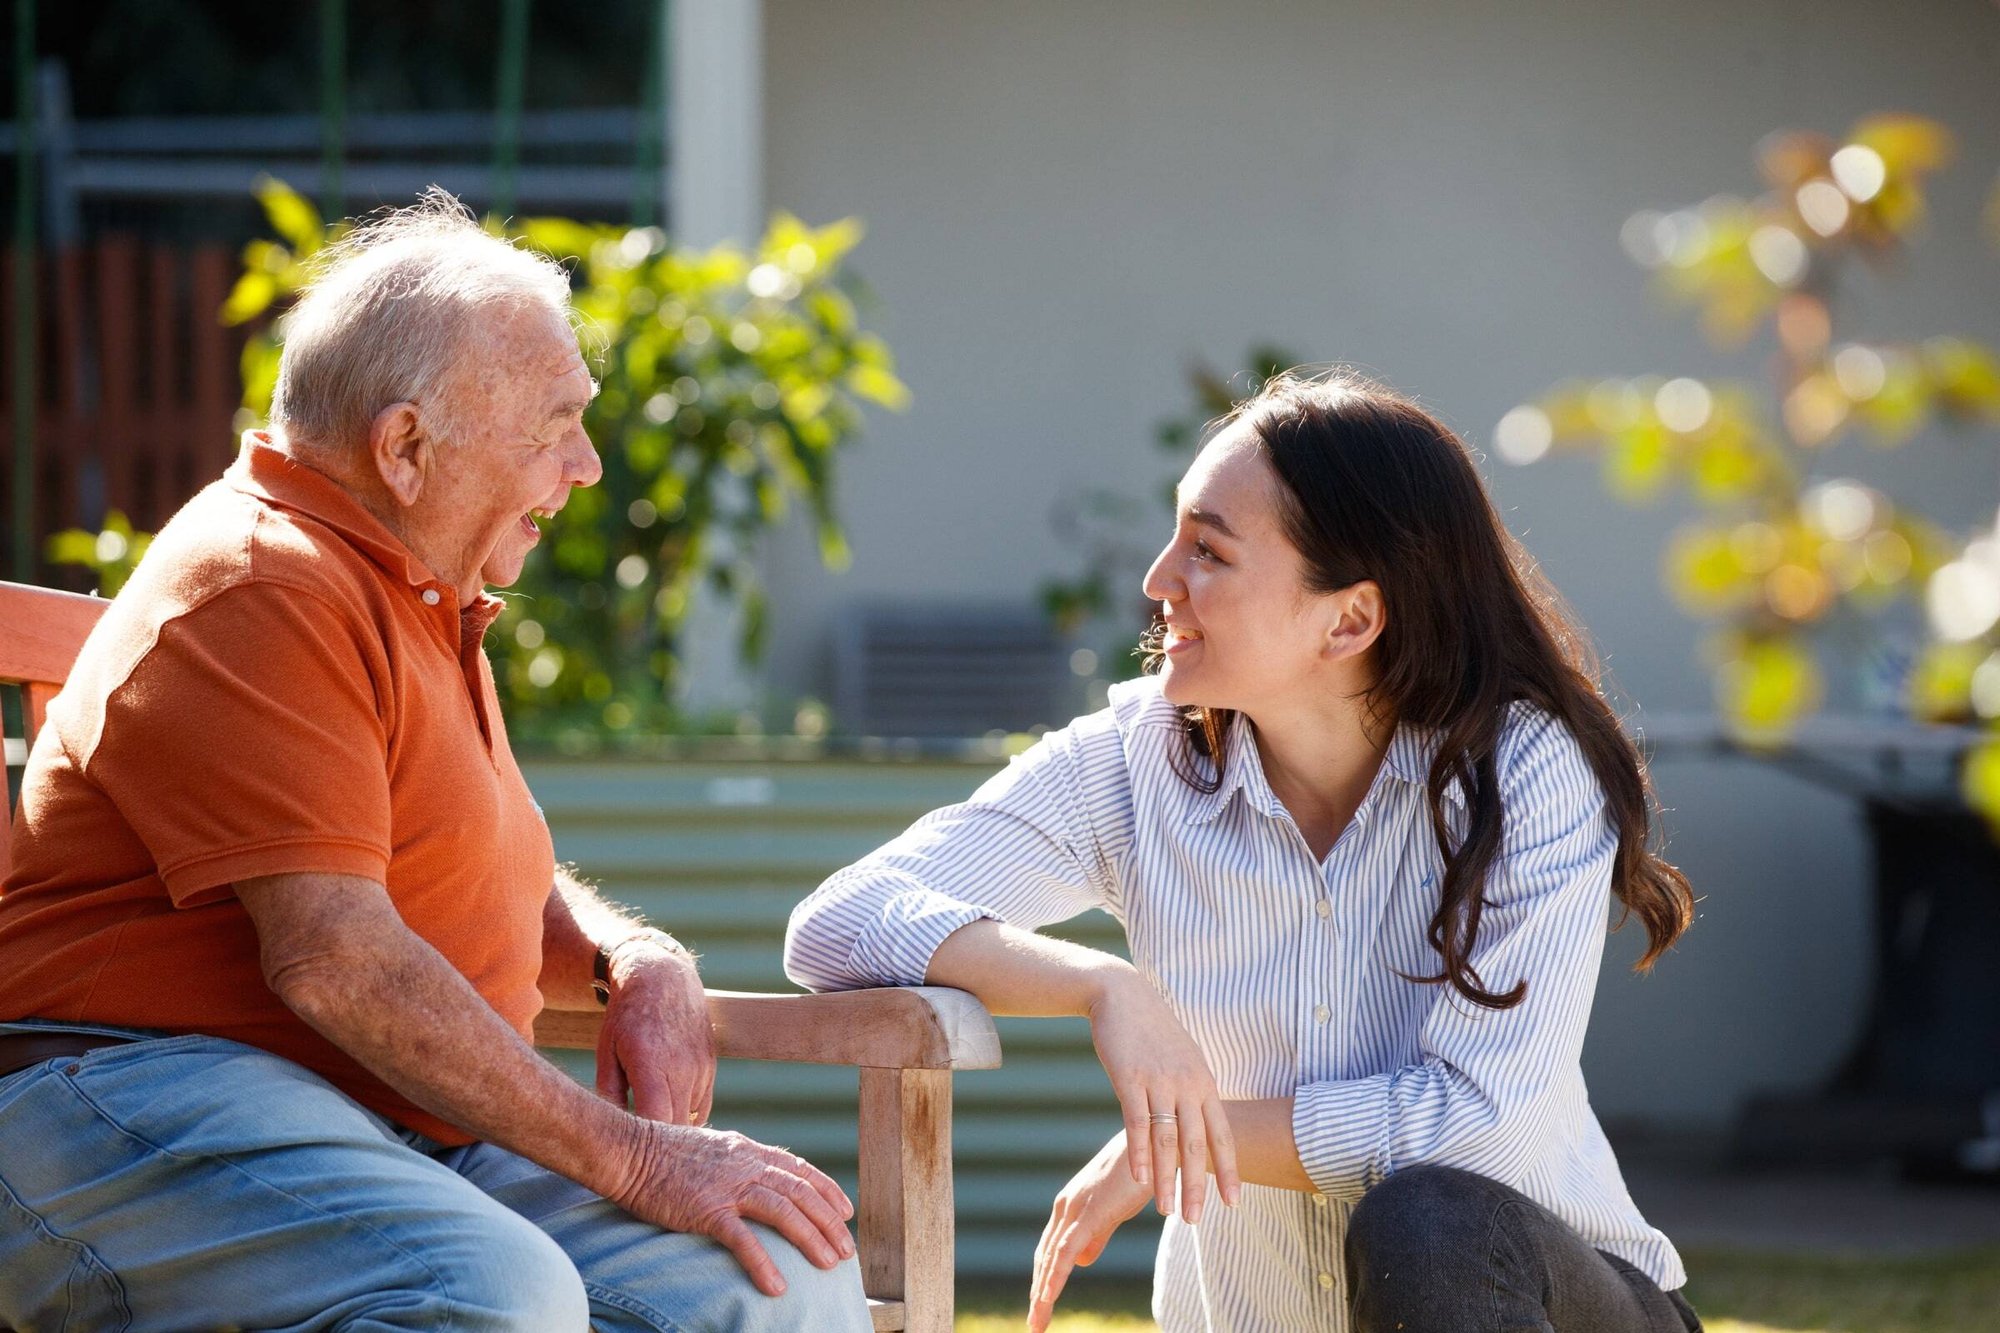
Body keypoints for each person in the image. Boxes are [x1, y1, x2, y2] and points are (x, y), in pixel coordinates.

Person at [0, 192, 871, 1333]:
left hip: (382, 1122)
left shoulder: (414, 590)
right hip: (118, 1103)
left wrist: (632, 959)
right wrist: (645, 1161)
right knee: (488, 1292)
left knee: (775, 1275)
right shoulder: (267, 583)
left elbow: (461, 878)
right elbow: (337, 958)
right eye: (553, 425)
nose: (589, 464)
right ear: (405, 446)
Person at [785, 369, 1703, 1333]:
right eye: (1176, 534)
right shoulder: (1140, 759)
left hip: (1561, 1306)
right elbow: (837, 923)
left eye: (1209, 551)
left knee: (1428, 1218)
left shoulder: (1523, 771)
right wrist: (1104, 986)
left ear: (1347, 618)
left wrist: (1177, 1140)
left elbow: (1482, 1129)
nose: (1157, 580)